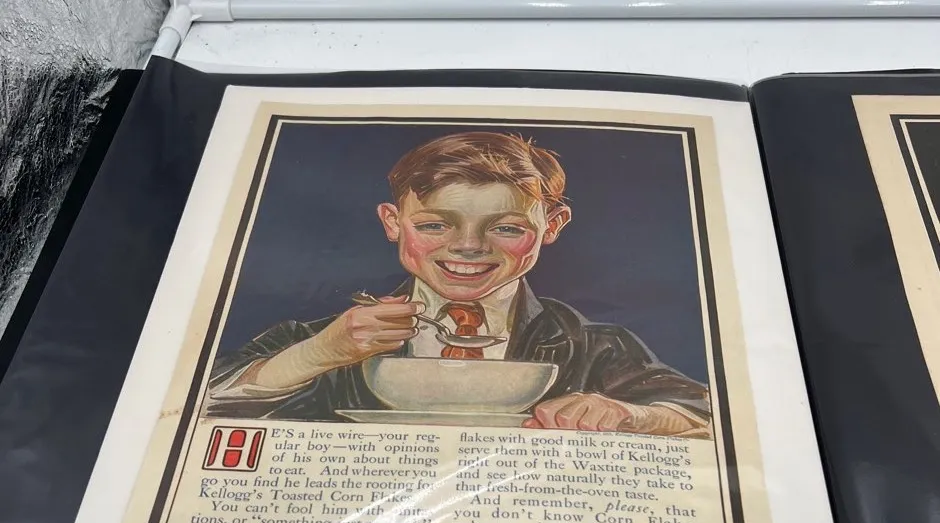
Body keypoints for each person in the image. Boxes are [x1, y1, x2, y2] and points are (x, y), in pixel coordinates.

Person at [207, 131, 711, 436]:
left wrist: (626, 413)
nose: (468, 247)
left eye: (506, 228)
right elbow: (199, 405)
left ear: (552, 227)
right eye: (434, 225)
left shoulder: (591, 345)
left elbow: (705, 414)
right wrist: (317, 354)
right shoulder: (320, 337)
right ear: (393, 222)